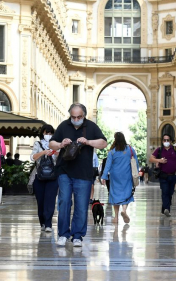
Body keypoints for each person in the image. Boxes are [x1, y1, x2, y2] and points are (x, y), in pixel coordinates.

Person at [49, 103, 107, 247]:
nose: (76, 119)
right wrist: (61, 144)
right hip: (64, 170)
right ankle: (63, 234)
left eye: (79, 117)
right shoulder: (64, 126)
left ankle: (77, 236)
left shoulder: (91, 127)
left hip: (83, 173)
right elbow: (51, 144)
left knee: (81, 205)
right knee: (64, 202)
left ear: (84, 115)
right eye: (73, 117)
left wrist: (88, 142)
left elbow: (103, 143)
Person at [101, 132, 139, 224]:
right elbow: (136, 162)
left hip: (115, 176)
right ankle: (124, 211)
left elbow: (108, 165)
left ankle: (116, 217)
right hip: (127, 175)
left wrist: (104, 176)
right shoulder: (130, 149)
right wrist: (136, 173)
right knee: (126, 193)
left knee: (115, 195)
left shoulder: (112, 151)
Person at [31, 124, 59, 232]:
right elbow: (33, 157)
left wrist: (55, 153)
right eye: (46, 133)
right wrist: (43, 152)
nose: (48, 135)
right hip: (40, 177)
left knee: (50, 200)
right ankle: (42, 221)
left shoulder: (56, 145)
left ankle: (48, 224)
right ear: (42, 133)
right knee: (41, 201)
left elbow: (60, 159)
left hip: (53, 176)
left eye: (50, 133)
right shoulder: (37, 144)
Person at [150, 134, 176, 217]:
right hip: (163, 175)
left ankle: (164, 208)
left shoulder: (175, 149)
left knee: (170, 193)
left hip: (173, 175)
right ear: (162, 141)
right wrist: (159, 160)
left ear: (170, 141)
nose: (166, 142)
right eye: (164, 140)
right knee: (165, 192)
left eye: (168, 140)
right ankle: (167, 209)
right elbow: (151, 159)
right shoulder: (159, 150)